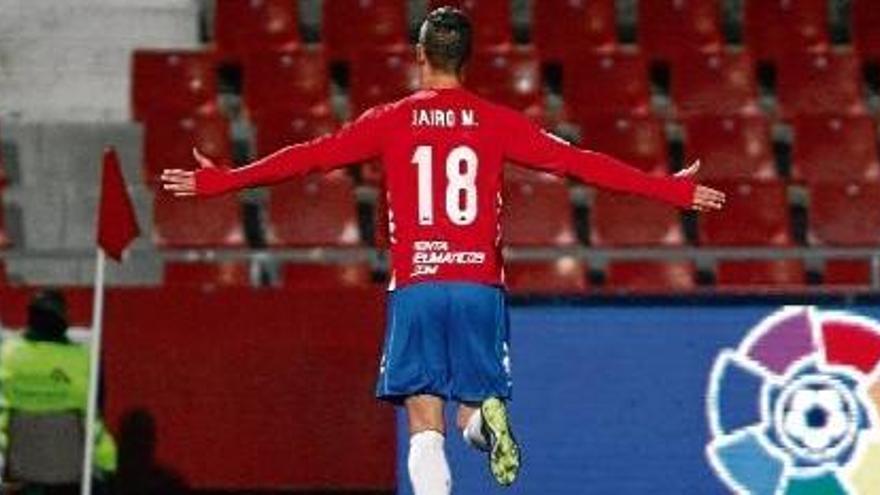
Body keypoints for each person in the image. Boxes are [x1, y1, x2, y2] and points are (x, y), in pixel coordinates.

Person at [161, 7, 725, 494]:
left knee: (424, 420)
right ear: (468, 60)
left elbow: (309, 156)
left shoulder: (391, 120)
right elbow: (582, 164)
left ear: (419, 54)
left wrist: (225, 181)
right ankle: (486, 421)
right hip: (480, 285)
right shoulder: (497, 122)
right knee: (471, 412)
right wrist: (669, 189)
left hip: (418, 284)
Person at [0, 290, 117, 493]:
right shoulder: (82, 358)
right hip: (71, 472)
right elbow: (92, 418)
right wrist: (108, 464)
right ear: (63, 319)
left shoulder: (7, 354)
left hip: (20, 469)